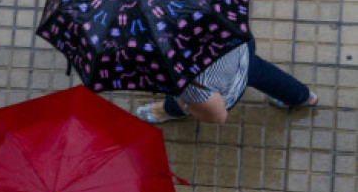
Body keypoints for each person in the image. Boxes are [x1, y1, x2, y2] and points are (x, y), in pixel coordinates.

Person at [135, 39, 318, 124]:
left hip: (227, 86)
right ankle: (301, 96)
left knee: (181, 102)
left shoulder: (191, 82)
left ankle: (168, 110)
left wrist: (184, 106)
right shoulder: (207, 5)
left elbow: (217, 115)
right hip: (241, 49)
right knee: (261, 71)